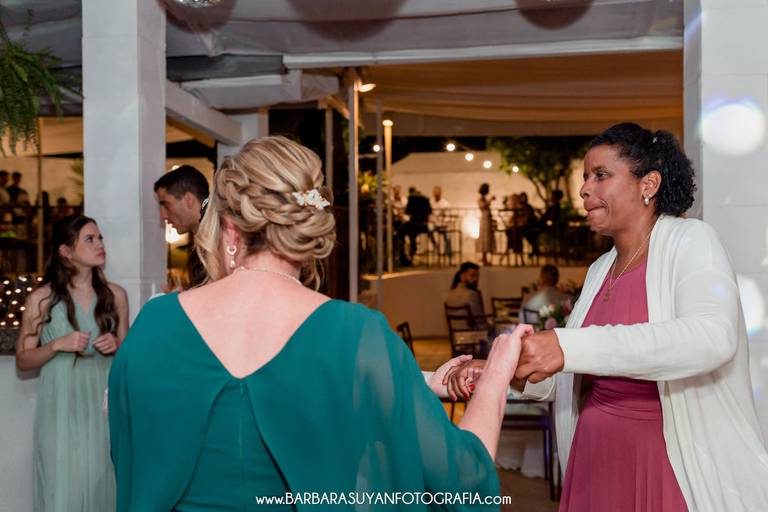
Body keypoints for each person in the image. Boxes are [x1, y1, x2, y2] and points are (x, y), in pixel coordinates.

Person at [109, 136, 528, 510]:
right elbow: (465, 484)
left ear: (231, 230)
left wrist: (407, 384)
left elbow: (132, 452)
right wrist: (496, 374)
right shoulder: (358, 335)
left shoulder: (155, 322)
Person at [449, 123, 768, 511]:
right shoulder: (600, 269)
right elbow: (573, 374)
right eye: (586, 177)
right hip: (594, 457)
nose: (584, 189)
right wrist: (501, 371)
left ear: (648, 184)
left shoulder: (692, 241)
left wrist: (566, 346)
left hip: (666, 462)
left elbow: (711, 338)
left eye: (600, 175)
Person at [15, 214, 129, 512]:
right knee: (62, 487)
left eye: (100, 237)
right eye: (90, 239)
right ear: (66, 251)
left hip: (104, 407)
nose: (100, 244)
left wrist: (118, 346)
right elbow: (23, 360)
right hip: (61, 408)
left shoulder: (116, 296)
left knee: (104, 483)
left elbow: (130, 361)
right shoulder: (41, 299)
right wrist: (56, 345)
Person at [154, 165, 210, 288]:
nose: (163, 216)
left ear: (189, 199)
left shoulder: (223, 238)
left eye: (166, 205)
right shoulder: (199, 247)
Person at [476, 183, 495, 265]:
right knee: (484, 239)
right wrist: (490, 200)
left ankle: (485, 258)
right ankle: (484, 258)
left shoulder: (484, 199)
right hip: (484, 220)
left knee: (487, 239)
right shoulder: (480, 199)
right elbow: (482, 206)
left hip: (487, 219)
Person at [430, 185, 452, 256]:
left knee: (447, 235)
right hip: (434, 224)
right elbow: (429, 215)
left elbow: (448, 216)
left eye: (437, 192)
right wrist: (432, 220)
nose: (436, 194)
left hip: (443, 224)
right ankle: (436, 246)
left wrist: (443, 223)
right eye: (434, 192)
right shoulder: (430, 202)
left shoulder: (445, 203)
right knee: (429, 231)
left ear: (440, 193)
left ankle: (448, 252)